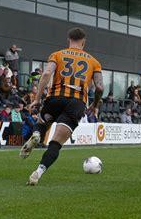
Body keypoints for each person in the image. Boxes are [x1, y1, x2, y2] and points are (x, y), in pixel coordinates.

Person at [20, 28, 103, 186]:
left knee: (42, 123)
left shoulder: (57, 54)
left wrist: (37, 99)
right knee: (56, 143)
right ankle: (37, 172)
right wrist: (95, 104)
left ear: (68, 40)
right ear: (83, 42)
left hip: (55, 98)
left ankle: (37, 134)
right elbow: (99, 87)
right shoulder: (94, 62)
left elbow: (46, 74)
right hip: (76, 103)